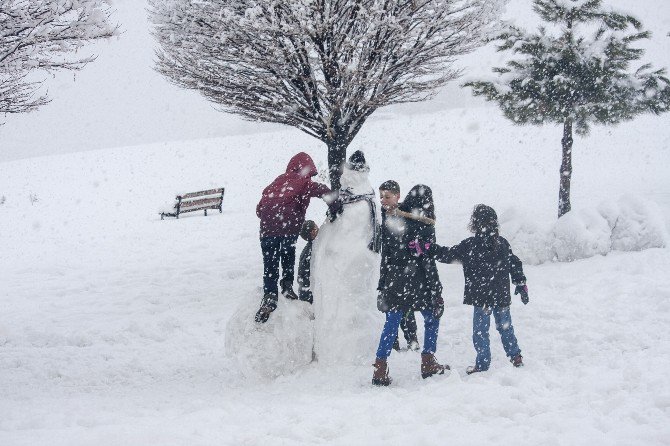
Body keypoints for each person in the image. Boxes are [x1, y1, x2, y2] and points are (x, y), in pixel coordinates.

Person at [414, 204, 528, 374]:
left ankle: (482, 365)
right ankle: (516, 357)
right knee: (505, 327)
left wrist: (428, 248)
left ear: (475, 224)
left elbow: (448, 254)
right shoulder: (502, 244)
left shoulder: (471, 245)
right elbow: (515, 263)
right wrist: (521, 283)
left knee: (480, 332)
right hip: (500, 295)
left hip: (482, 297)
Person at [372, 183, 448, 386]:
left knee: (391, 323)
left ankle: (380, 367)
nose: (383, 200)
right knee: (431, 317)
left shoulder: (392, 218)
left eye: (387, 196)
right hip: (418, 280)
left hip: (396, 281)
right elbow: (428, 259)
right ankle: (428, 361)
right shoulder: (424, 221)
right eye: (382, 197)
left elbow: (386, 256)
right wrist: (436, 290)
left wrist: (383, 284)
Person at [254, 152, 340, 323]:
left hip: (267, 228)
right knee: (287, 256)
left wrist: (271, 217)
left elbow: (259, 208)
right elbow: (322, 190)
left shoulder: (277, 181)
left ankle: (270, 296)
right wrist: (336, 206)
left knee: (270, 263)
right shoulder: (304, 182)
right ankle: (286, 287)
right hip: (287, 227)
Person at [297, 220, 319, 304]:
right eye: (316, 227)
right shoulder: (314, 249)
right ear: (313, 232)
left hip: (305, 294)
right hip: (309, 297)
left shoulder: (308, 249)